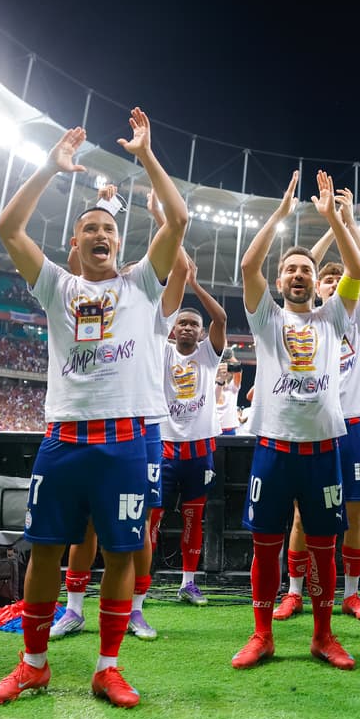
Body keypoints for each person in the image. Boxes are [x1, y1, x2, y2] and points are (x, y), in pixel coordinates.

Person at [0, 108, 188, 708]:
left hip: (126, 441)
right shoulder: (56, 287)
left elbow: (178, 218)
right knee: (46, 548)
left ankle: (107, 667)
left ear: (120, 243)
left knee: (124, 551)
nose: (102, 235)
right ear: (73, 243)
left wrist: (147, 156)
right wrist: (51, 165)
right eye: (90, 229)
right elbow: (6, 226)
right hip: (65, 439)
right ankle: (34, 664)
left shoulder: (140, 286)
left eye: (110, 230)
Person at [232, 169, 360, 671]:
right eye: (289, 269)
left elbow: (355, 269)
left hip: (323, 448)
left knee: (324, 549)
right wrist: (282, 216)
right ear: (280, 280)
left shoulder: (333, 317)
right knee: (266, 546)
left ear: (314, 280)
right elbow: (248, 265)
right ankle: (262, 634)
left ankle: (323, 636)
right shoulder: (267, 320)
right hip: (274, 447)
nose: (296, 275)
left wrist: (335, 219)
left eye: (304, 269)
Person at [50, 189, 187, 643]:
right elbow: (79, 272)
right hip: (94, 417)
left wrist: (158, 218)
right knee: (85, 519)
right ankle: (73, 607)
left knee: (139, 522)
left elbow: (179, 265)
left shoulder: (149, 297)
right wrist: (103, 209)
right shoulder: (96, 298)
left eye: (111, 233)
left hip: (143, 421)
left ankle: (135, 608)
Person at [271, 187, 360, 623]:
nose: (334, 284)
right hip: (314, 422)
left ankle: (351, 594)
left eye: (340, 280)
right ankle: (295, 591)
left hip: (352, 423)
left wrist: (347, 220)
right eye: (326, 280)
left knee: (353, 513)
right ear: (319, 288)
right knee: (301, 515)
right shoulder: (309, 323)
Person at [161, 257, 228, 605]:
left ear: (201, 333)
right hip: (164, 448)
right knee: (151, 519)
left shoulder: (208, 356)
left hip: (200, 449)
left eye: (193, 325)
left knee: (194, 519)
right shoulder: (160, 352)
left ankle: (188, 582)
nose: (187, 328)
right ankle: (140, 580)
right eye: (181, 323)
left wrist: (194, 285)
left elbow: (222, 318)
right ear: (173, 329)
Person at [216, 351, 242, 435]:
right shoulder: (210, 386)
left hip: (229, 429)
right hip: (213, 428)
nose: (224, 373)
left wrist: (230, 355)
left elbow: (238, 370)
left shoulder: (233, 388)